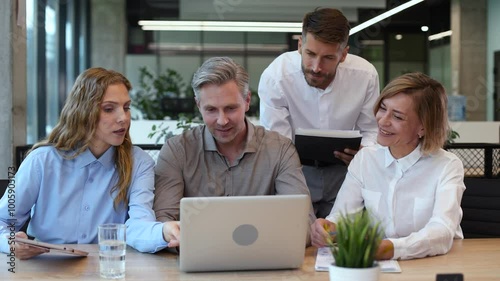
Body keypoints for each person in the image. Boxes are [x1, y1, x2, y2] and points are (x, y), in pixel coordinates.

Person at [0, 67, 179, 260]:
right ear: (84, 111)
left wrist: (164, 231)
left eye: (126, 107)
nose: (124, 118)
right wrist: (10, 242)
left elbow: (139, 225)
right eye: (109, 109)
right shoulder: (41, 161)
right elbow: (3, 220)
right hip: (46, 266)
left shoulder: (139, 162)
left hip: (106, 267)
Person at [310, 72, 466, 260]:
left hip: (436, 262)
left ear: (423, 127)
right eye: (383, 108)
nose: (383, 121)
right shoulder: (365, 159)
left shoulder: (447, 166)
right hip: (381, 266)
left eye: (398, 117)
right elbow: (342, 216)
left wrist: (387, 249)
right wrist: (329, 228)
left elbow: (441, 231)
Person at [153, 57, 315, 236]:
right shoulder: (178, 151)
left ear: (247, 101)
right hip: (197, 259)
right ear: (198, 105)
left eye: (230, 108)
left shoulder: (280, 150)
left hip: (264, 259)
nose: (222, 121)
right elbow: (162, 221)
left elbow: (303, 222)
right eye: (211, 110)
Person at [258, 8, 380, 218]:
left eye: (328, 58)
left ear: (343, 55)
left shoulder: (365, 76)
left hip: (347, 173)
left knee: (343, 242)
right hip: (295, 172)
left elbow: (371, 131)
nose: (316, 67)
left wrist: (364, 152)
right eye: (311, 54)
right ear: (300, 46)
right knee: (297, 241)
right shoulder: (276, 76)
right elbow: (276, 142)